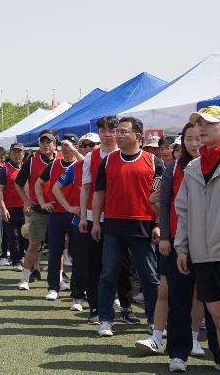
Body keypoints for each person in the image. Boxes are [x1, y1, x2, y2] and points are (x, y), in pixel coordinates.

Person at [137, 122, 210, 367]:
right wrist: (166, 236)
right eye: (189, 139)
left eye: (198, 138)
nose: (194, 143)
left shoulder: (212, 166)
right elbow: (165, 205)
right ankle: (178, 354)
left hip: (210, 245)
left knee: (207, 299)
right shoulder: (174, 169)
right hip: (179, 243)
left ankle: (200, 342)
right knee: (178, 298)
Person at [92, 116, 163, 337]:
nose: (118, 135)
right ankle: (105, 319)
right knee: (108, 275)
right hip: (113, 226)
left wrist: (158, 224)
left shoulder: (154, 162)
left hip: (144, 226)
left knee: (149, 277)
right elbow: (99, 193)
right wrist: (96, 222)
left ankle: (154, 320)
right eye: (117, 131)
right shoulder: (108, 161)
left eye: (123, 132)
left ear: (138, 137)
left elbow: (160, 196)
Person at [78, 116, 136, 325]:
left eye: (113, 130)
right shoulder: (90, 158)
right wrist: (84, 216)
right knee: (94, 265)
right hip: (96, 218)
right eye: (104, 130)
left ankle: (126, 307)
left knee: (123, 265)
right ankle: (94, 307)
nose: (109, 134)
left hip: (121, 218)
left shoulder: (127, 155)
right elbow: (86, 188)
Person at [175, 106, 220, 372]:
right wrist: (182, 248)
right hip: (202, 254)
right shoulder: (192, 167)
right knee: (215, 315)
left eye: (210, 123)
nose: (202, 128)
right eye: (199, 123)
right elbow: (183, 211)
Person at [51, 133, 98, 312]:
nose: (87, 148)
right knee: (80, 260)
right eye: (83, 145)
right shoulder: (75, 167)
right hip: (81, 221)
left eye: (90, 145)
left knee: (107, 262)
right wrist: (69, 207)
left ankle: (112, 297)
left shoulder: (107, 165)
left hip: (106, 220)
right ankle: (78, 296)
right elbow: (56, 188)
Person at [37, 134, 83, 301]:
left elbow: (87, 163)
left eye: (70, 145)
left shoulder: (81, 164)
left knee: (78, 253)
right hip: (57, 214)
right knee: (55, 251)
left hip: (77, 214)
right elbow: (38, 184)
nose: (66, 148)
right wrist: (42, 202)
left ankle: (78, 291)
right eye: (63, 144)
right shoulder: (53, 165)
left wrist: (74, 150)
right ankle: (53, 287)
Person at [15, 130, 59, 290]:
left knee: (58, 246)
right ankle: (25, 278)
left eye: (49, 142)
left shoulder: (62, 159)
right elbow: (18, 182)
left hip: (59, 210)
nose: (46, 145)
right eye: (42, 142)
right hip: (38, 210)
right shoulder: (32, 161)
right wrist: (26, 200)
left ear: (55, 145)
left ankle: (59, 279)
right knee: (34, 244)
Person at [0, 143, 27, 272]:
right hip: (10, 209)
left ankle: (25, 258)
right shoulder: (4, 170)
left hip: (25, 209)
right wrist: (3, 208)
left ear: (23, 154)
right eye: (14, 152)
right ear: (10, 153)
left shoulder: (26, 168)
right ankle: (17, 261)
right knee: (13, 237)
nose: (17, 154)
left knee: (25, 235)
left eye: (19, 152)